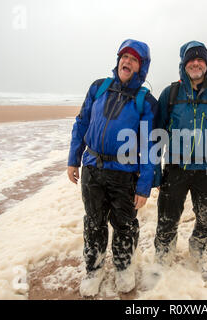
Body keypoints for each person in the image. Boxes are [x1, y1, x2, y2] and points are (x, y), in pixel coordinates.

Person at [67, 39, 158, 296]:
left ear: (141, 68)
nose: (126, 61)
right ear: (118, 60)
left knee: (125, 225)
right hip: (93, 169)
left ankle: (123, 267)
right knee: (94, 223)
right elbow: (82, 122)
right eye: (124, 57)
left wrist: (144, 185)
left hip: (125, 174)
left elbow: (151, 145)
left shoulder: (146, 101)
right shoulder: (99, 87)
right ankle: (94, 270)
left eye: (134, 59)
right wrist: (73, 159)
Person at [152, 41, 207, 281]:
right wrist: (156, 172)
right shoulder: (171, 94)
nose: (196, 63)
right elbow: (156, 134)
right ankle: (163, 255)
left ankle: (199, 250)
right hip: (175, 168)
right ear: (184, 63)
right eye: (191, 59)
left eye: (201, 59)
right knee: (166, 219)